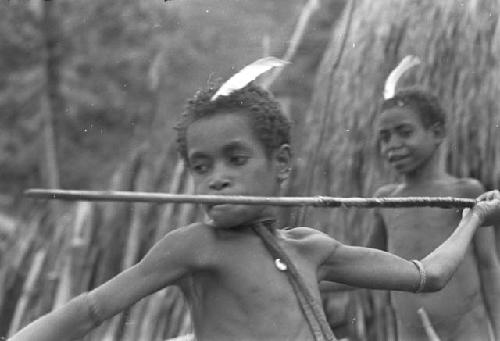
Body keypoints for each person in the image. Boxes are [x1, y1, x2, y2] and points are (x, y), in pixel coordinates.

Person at [9, 83, 500, 341]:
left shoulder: (312, 249)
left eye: (235, 159)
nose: (216, 177)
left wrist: (472, 219)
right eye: (200, 166)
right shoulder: (194, 247)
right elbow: (89, 310)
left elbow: (427, 275)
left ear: (281, 163)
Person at [365, 89, 500, 340]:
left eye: (405, 133)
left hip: (467, 331)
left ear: (436, 133)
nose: (392, 145)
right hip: (412, 334)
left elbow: (488, 265)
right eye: (384, 138)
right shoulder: (386, 200)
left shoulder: (464, 192)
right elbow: (364, 263)